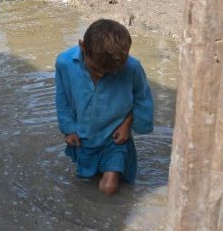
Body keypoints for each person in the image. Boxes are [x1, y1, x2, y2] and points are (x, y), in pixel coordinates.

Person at [54, 19, 154, 195]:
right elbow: (62, 99)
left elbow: (142, 98)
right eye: (95, 68)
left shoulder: (131, 68)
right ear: (82, 46)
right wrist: (69, 129)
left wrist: (127, 124)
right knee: (85, 179)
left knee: (109, 186)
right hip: (84, 137)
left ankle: (110, 216)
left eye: (108, 74)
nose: (100, 74)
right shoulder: (64, 64)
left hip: (115, 137)